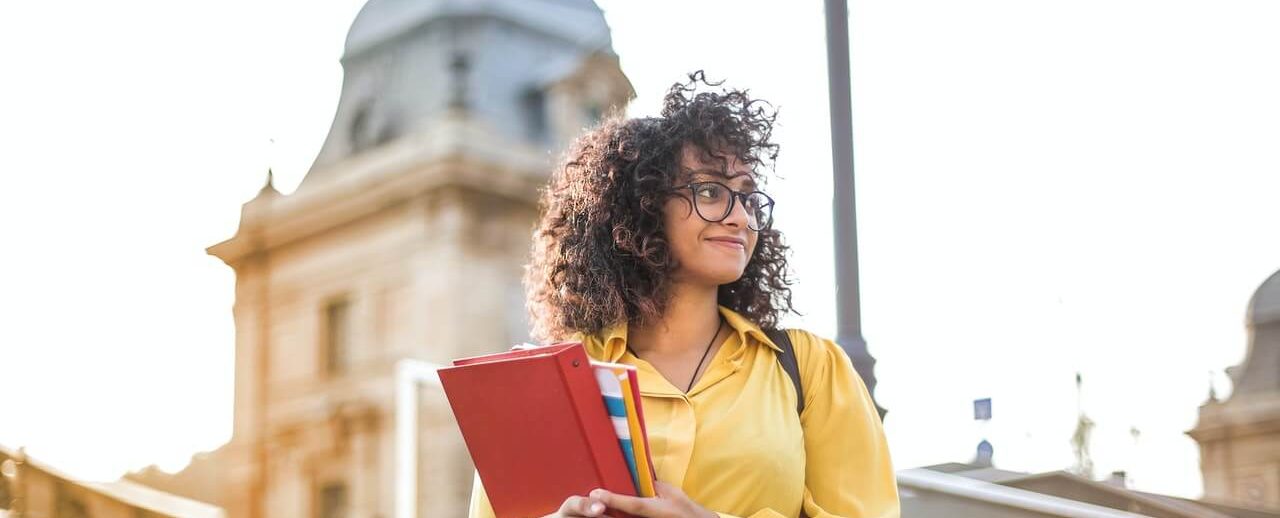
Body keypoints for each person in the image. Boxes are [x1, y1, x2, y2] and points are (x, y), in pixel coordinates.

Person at [467, 72, 899, 518]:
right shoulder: (552, 383)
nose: (739, 217)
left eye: (748, 198)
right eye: (710, 191)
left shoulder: (810, 368)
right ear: (643, 206)